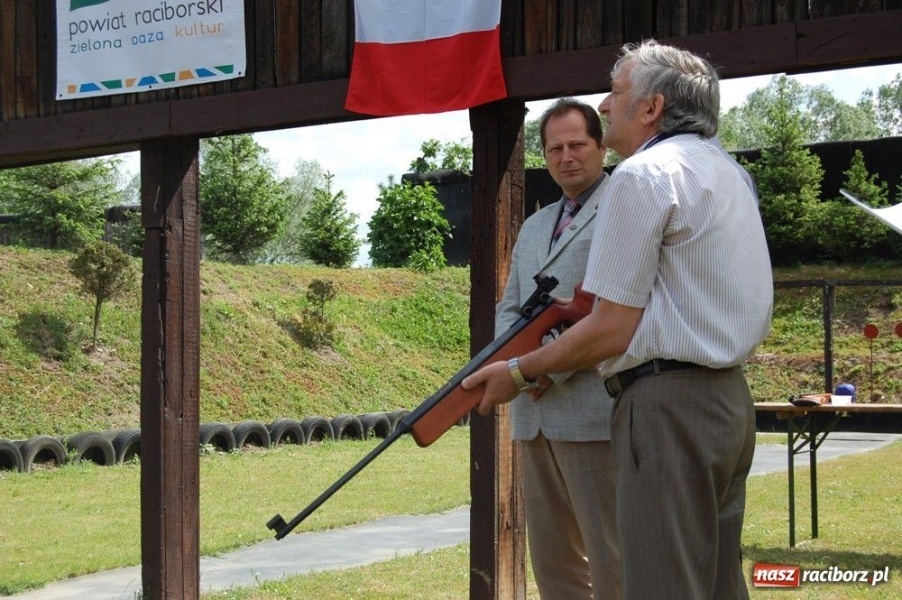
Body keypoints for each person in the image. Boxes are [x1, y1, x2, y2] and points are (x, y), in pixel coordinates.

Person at [463, 40, 773, 600]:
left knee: (656, 584)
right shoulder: (728, 172)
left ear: (651, 108)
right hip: (727, 398)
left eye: (616, 92)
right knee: (717, 582)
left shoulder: (644, 175)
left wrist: (517, 372)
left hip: (664, 406)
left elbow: (611, 327)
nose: (606, 106)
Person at [496, 98, 620, 599]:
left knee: (610, 556)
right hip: (533, 415)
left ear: (602, 146)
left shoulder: (623, 209)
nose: (566, 157)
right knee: (552, 563)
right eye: (555, 148)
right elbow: (508, 310)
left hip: (592, 409)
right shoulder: (533, 226)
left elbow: (616, 311)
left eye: (577, 145)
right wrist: (514, 367)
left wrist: (544, 368)